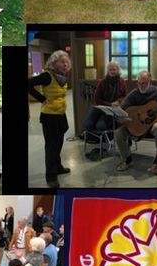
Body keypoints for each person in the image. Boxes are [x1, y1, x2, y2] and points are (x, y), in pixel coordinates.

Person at [113, 71, 157, 173]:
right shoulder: (134, 94)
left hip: (151, 126)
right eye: (139, 83)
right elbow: (122, 109)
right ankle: (127, 160)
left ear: (150, 81)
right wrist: (119, 115)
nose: (141, 86)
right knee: (118, 133)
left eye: (144, 83)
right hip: (137, 126)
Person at [28, 50, 72, 187]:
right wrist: (41, 98)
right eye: (62, 62)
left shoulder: (63, 75)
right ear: (54, 63)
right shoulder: (47, 76)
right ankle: (51, 176)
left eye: (66, 62)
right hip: (49, 116)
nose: (65, 64)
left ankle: (58, 167)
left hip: (60, 113)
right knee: (51, 147)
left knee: (58, 143)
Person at [82, 61, 127, 137]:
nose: (112, 71)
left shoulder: (122, 82)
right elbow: (96, 98)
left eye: (114, 69)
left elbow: (125, 96)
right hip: (99, 107)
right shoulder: (103, 82)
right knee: (87, 125)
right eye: (110, 70)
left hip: (111, 110)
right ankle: (95, 138)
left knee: (100, 126)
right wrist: (109, 104)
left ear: (118, 70)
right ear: (108, 71)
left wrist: (118, 101)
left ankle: (104, 140)